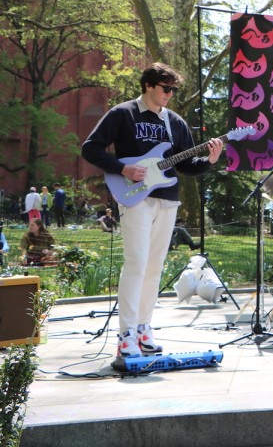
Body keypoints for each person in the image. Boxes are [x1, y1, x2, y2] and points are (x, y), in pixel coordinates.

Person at [82, 62, 223, 360]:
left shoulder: (175, 122)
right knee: (136, 264)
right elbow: (90, 148)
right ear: (148, 85)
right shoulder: (123, 113)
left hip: (167, 199)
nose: (170, 94)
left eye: (173, 89)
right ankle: (126, 334)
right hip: (134, 199)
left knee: (154, 267)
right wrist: (123, 168)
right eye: (166, 88)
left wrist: (210, 160)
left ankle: (144, 328)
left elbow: (186, 165)